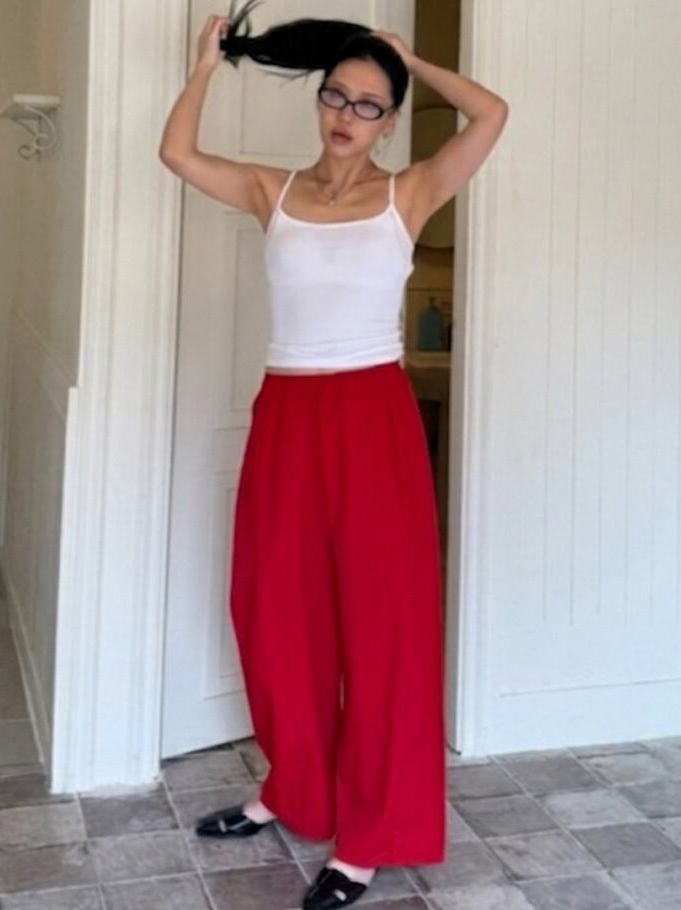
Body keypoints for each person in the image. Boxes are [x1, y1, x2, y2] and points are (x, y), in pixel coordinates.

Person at [159, 2, 508, 906]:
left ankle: (370, 836)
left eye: (368, 104)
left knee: (384, 627)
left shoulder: (410, 194)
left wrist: (410, 60)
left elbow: (492, 113)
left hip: (372, 418)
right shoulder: (271, 192)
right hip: (287, 413)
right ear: (318, 102)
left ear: (389, 121)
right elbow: (177, 153)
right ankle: (295, 789)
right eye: (336, 97)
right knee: (275, 611)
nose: (347, 116)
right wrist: (205, 66)